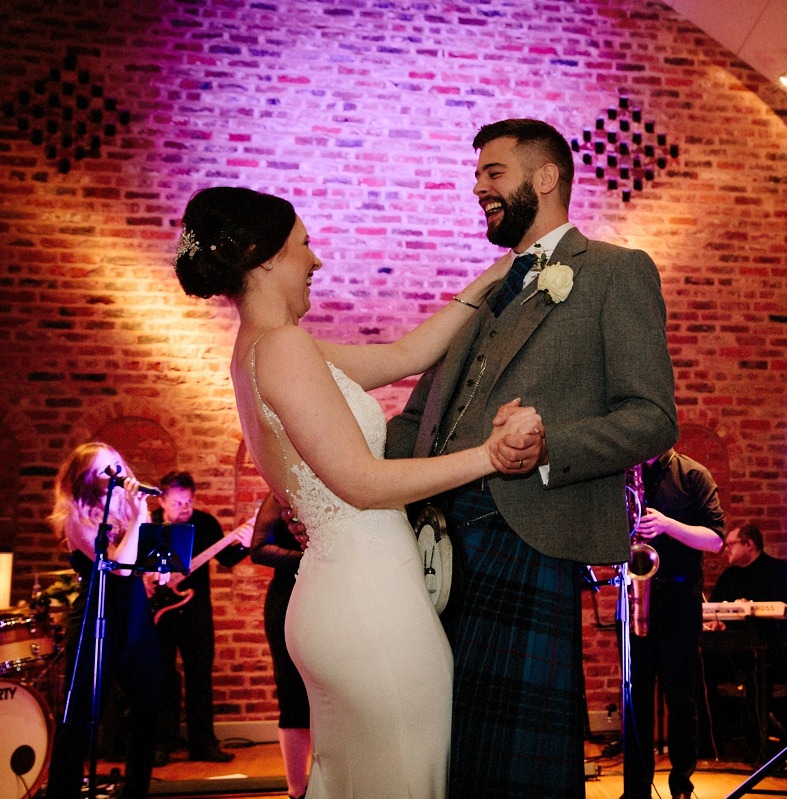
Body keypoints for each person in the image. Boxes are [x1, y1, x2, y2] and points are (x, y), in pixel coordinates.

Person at [173, 185, 542, 798]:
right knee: (405, 781)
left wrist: (488, 281)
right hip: (369, 603)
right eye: (305, 245)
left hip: (339, 594)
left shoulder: (263, 350)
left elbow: (405, 354)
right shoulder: (283, 348)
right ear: (265, 257)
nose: (315, 261)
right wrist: (489, 457)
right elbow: (363, 484)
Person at [386, 118, 678, 799]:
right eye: (478, 174)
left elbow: (653, 417)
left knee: (514, 768)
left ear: (545, 178)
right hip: (433, 542)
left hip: (525, 533)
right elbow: (416, 417)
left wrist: (552, 447)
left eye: (494, 173)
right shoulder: (485, 287)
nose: (479, 187)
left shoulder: (614, 271)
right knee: (443, 748)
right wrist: (345, 479)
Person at [43, 443, 163, 799]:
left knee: (148, 706)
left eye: (116, 463)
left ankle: (136, 791)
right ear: (86, 480)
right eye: (105, 470)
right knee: (81, 712)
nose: (117, 472)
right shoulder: (76, 519)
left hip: (136, 617)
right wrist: (141, 515)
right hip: (97, 618)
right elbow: (121, 568)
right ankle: (63, 792)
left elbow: (145, 558)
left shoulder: (129, 508)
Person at [623, 448, 724, 799]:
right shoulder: (625, 475)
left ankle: (682, 786)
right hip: (635, 598)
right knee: (635, 701)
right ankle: (636, 790)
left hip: (680, 601)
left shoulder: (694, 475)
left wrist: (668, 525)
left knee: (681, 700)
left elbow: (715, 539)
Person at [151, 470, 252, 765]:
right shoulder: (150, 526)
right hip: (159, 615)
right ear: (163, 502)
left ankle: (204, 744)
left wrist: (244, 541)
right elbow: (136, 568)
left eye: (190, 501)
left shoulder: (205, 523)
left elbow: (227, 559)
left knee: (200, 679)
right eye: (179, 502)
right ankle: (160, 743)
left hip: (196, 612)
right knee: (162, 679)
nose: (186, 507)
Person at [706, 523, 787, 756]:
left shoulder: (778, 571)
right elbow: (713, 611)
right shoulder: (729, 576)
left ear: (749, 544)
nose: (727, 550)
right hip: (730, 649)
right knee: (700, 666)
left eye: (731, 545)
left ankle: (757, 748)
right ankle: (710, 745)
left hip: (770, 650)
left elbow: (785, 616)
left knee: (756, 667)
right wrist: (717, 622)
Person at [250, 493, 310, 799]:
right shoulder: (279, 491)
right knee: (292, 692)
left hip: (331, 592)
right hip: (287, 597)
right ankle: (296, 790)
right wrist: (309, 557)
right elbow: (257, 548)